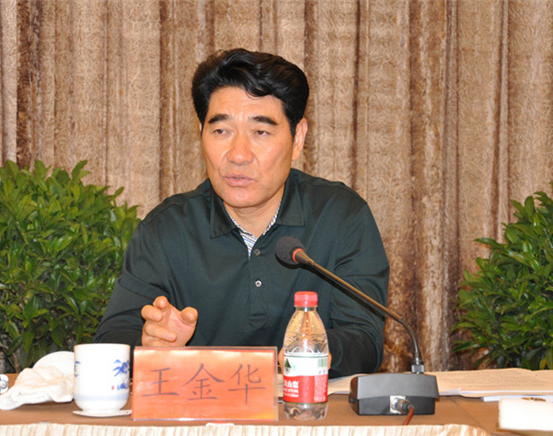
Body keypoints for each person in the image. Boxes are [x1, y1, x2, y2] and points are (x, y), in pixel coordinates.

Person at [95, 48, 389, 378]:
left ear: (297, 138)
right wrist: (150, 345)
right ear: (201, 133)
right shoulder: (166, 228)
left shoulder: (341, 216)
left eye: (260, 132)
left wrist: (313, 348)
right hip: (200, 407)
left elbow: (365, 340)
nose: (238, 155)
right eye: (221, 131)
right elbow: (112, 338)